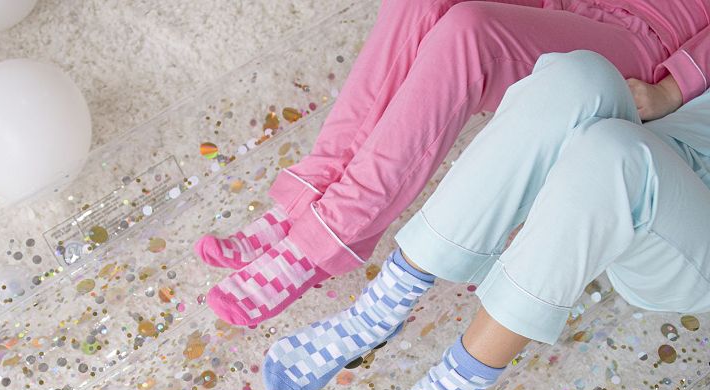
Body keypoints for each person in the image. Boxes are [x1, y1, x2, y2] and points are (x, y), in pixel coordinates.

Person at [259, 49, 710, 390]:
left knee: (617, 155)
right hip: (678, 137)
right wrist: (673, 89)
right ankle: (382, 304)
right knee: (580, 76)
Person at [196, 0, 710, 327]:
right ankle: (306, 203)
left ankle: (330, 233)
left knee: (471, 30)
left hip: (645, 34)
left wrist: (673, 87)